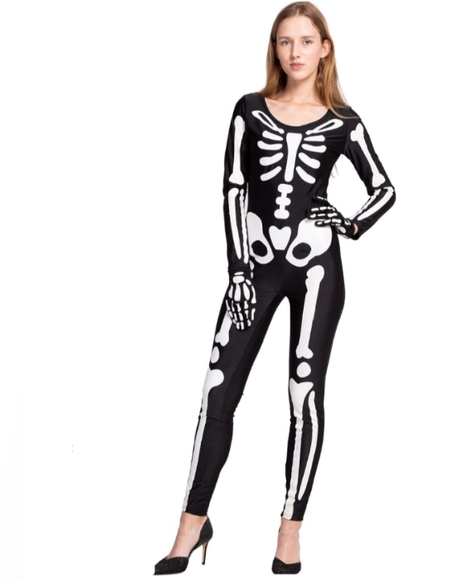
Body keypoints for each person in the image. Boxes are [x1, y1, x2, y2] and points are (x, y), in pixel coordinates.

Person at [154, 1, 396, 575]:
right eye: (285, 41)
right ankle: (191, 523)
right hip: (256, 268)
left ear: (324, 49)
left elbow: (384, 189)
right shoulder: (249, 110)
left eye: (306, 41)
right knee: (218, 392)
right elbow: (233, 190)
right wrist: (238, 270)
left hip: (317, 270)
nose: (295, 52)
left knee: (303, 395)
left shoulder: (343, 122)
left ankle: (290, 530)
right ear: (275, 49)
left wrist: (350, 223)